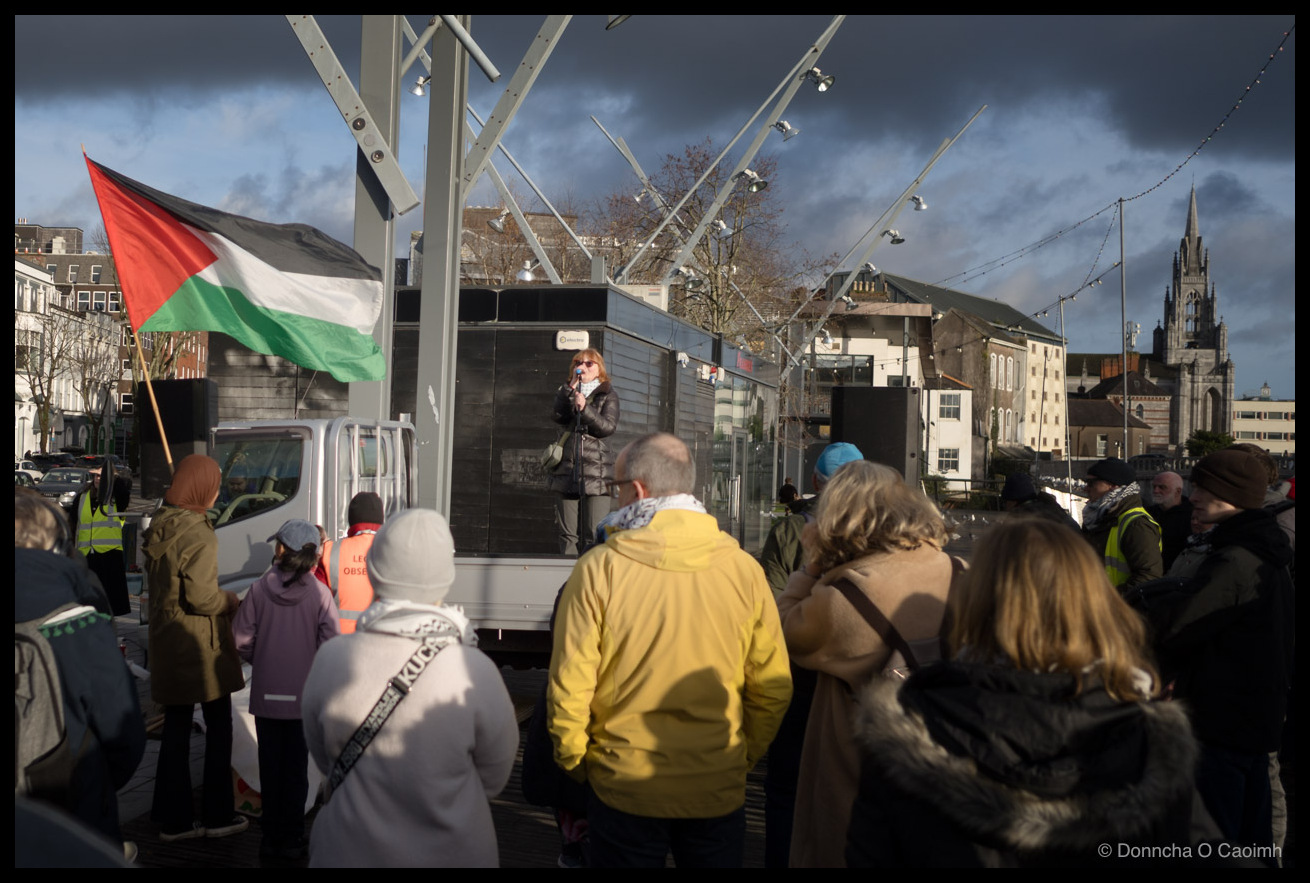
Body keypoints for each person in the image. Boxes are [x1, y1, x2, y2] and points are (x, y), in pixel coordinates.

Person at [845, 518, 1218, 867]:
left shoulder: (910, 726)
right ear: (1093, 602)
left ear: (977, 601)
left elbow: (868, 854)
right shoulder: (1148, 741)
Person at [547, 432, 792, 867]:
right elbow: (772, 689)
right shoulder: (743, 570)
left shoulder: (599, 569)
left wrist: (580, 763)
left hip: (623, 784)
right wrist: (738, 757)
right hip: (716, 784)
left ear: (637, 490)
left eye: (615, 488)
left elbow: (570, 686)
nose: (615, 498)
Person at [302, 508, 518, 867]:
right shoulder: (474, 670)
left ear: (375, 569)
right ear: (444, 576)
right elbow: (494, 777)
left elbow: (324, 758)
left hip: (346, 851)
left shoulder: (330, 659)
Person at [777, 459, 957, 867]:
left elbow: (786, 627)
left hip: (859, 778)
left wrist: (811, 568)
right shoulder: (961, 574)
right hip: (944, 770)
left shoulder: (844, 596)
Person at [1151, 449, 1293, 862]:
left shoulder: (1236, 560)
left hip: (1223, 726)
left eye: (1204, 487)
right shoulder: (1266, 554)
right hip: (1254, 724)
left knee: (1215, 844)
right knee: (1252, 843)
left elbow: (1177, 628)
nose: (1193, 495)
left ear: (1229, 494)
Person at [15, 491, 146, 862]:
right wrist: (96, 786)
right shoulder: (77, 625)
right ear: (58, 548)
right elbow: (125, 733)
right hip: (70, 813)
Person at [757, 441, 861, 868]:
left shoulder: (787, 531)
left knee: (785, 789)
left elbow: (770, 608)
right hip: (856, 676)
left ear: (815, 481)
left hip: (795, 674)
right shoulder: (879, 532)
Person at [143, 454, 248, 842]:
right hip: (200, 647)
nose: (218, 491)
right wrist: (232, 601)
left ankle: (174, 820)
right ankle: (219, 815)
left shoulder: (162, 523)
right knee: (219, 727)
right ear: (202, 487)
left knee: (175, 729)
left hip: (168, 642)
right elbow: (203, 599)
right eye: (216, 483)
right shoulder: (199, 532)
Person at [232, 519, 340, 861]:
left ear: (282, 550)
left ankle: (270, 837)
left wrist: (260, 657)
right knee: (296, 771)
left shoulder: (260, 588)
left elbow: (240, 640)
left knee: (271, 767)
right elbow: (332, 645)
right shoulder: (320, 593)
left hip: (266, 697)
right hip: (302, 700)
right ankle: (292, 839)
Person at [547, 348, 620, 556]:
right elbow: (556, 415)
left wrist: (585, 410)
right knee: (567, 534)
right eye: (579, 362)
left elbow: (607, 427)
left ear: (599, 369)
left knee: (594, 532)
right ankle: (568, 580)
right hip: (567, 469)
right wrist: (569, 390)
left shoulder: (608, 394)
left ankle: (591, 575)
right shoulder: (567, 391)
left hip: (597, 473)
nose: (583, 366)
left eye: (589, 363)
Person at [1081, 457, 1162, 592]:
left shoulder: (1137, 524)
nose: (1086, 488)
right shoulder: (1096, 517)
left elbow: (1149, 577)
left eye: (1091, 483)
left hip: (1117, 608)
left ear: (1113, 486)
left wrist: (1109, 601)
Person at [319, 491, 384, 633]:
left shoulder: (330, 552)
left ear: (352, 520)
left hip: (339, 643)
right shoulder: (393, 551)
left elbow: (316, 601)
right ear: (381, 519)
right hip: (382, 640)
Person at [70, 467, 130, 616]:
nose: (98, 479)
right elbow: (72, 523)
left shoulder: (116, 498)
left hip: (109, 554)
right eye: (96, 476)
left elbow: (124, 492)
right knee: (87, 600)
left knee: (109, 601)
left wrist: (113, 478)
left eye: (102, 477)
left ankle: (108, 629)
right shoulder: (82, 497)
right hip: (86, 555)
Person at [1000, 471, 1080, 531]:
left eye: (1004, 502)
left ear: (1013, 502)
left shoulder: (1018, 520)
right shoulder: (1053, 509)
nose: (1005, 508)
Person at [1148, 471, 1194, 571]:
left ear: (1178, 491)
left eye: (1162, 487)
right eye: (1154, 487)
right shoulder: (1147, 514)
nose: (1156, 491)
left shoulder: (1193, 516)